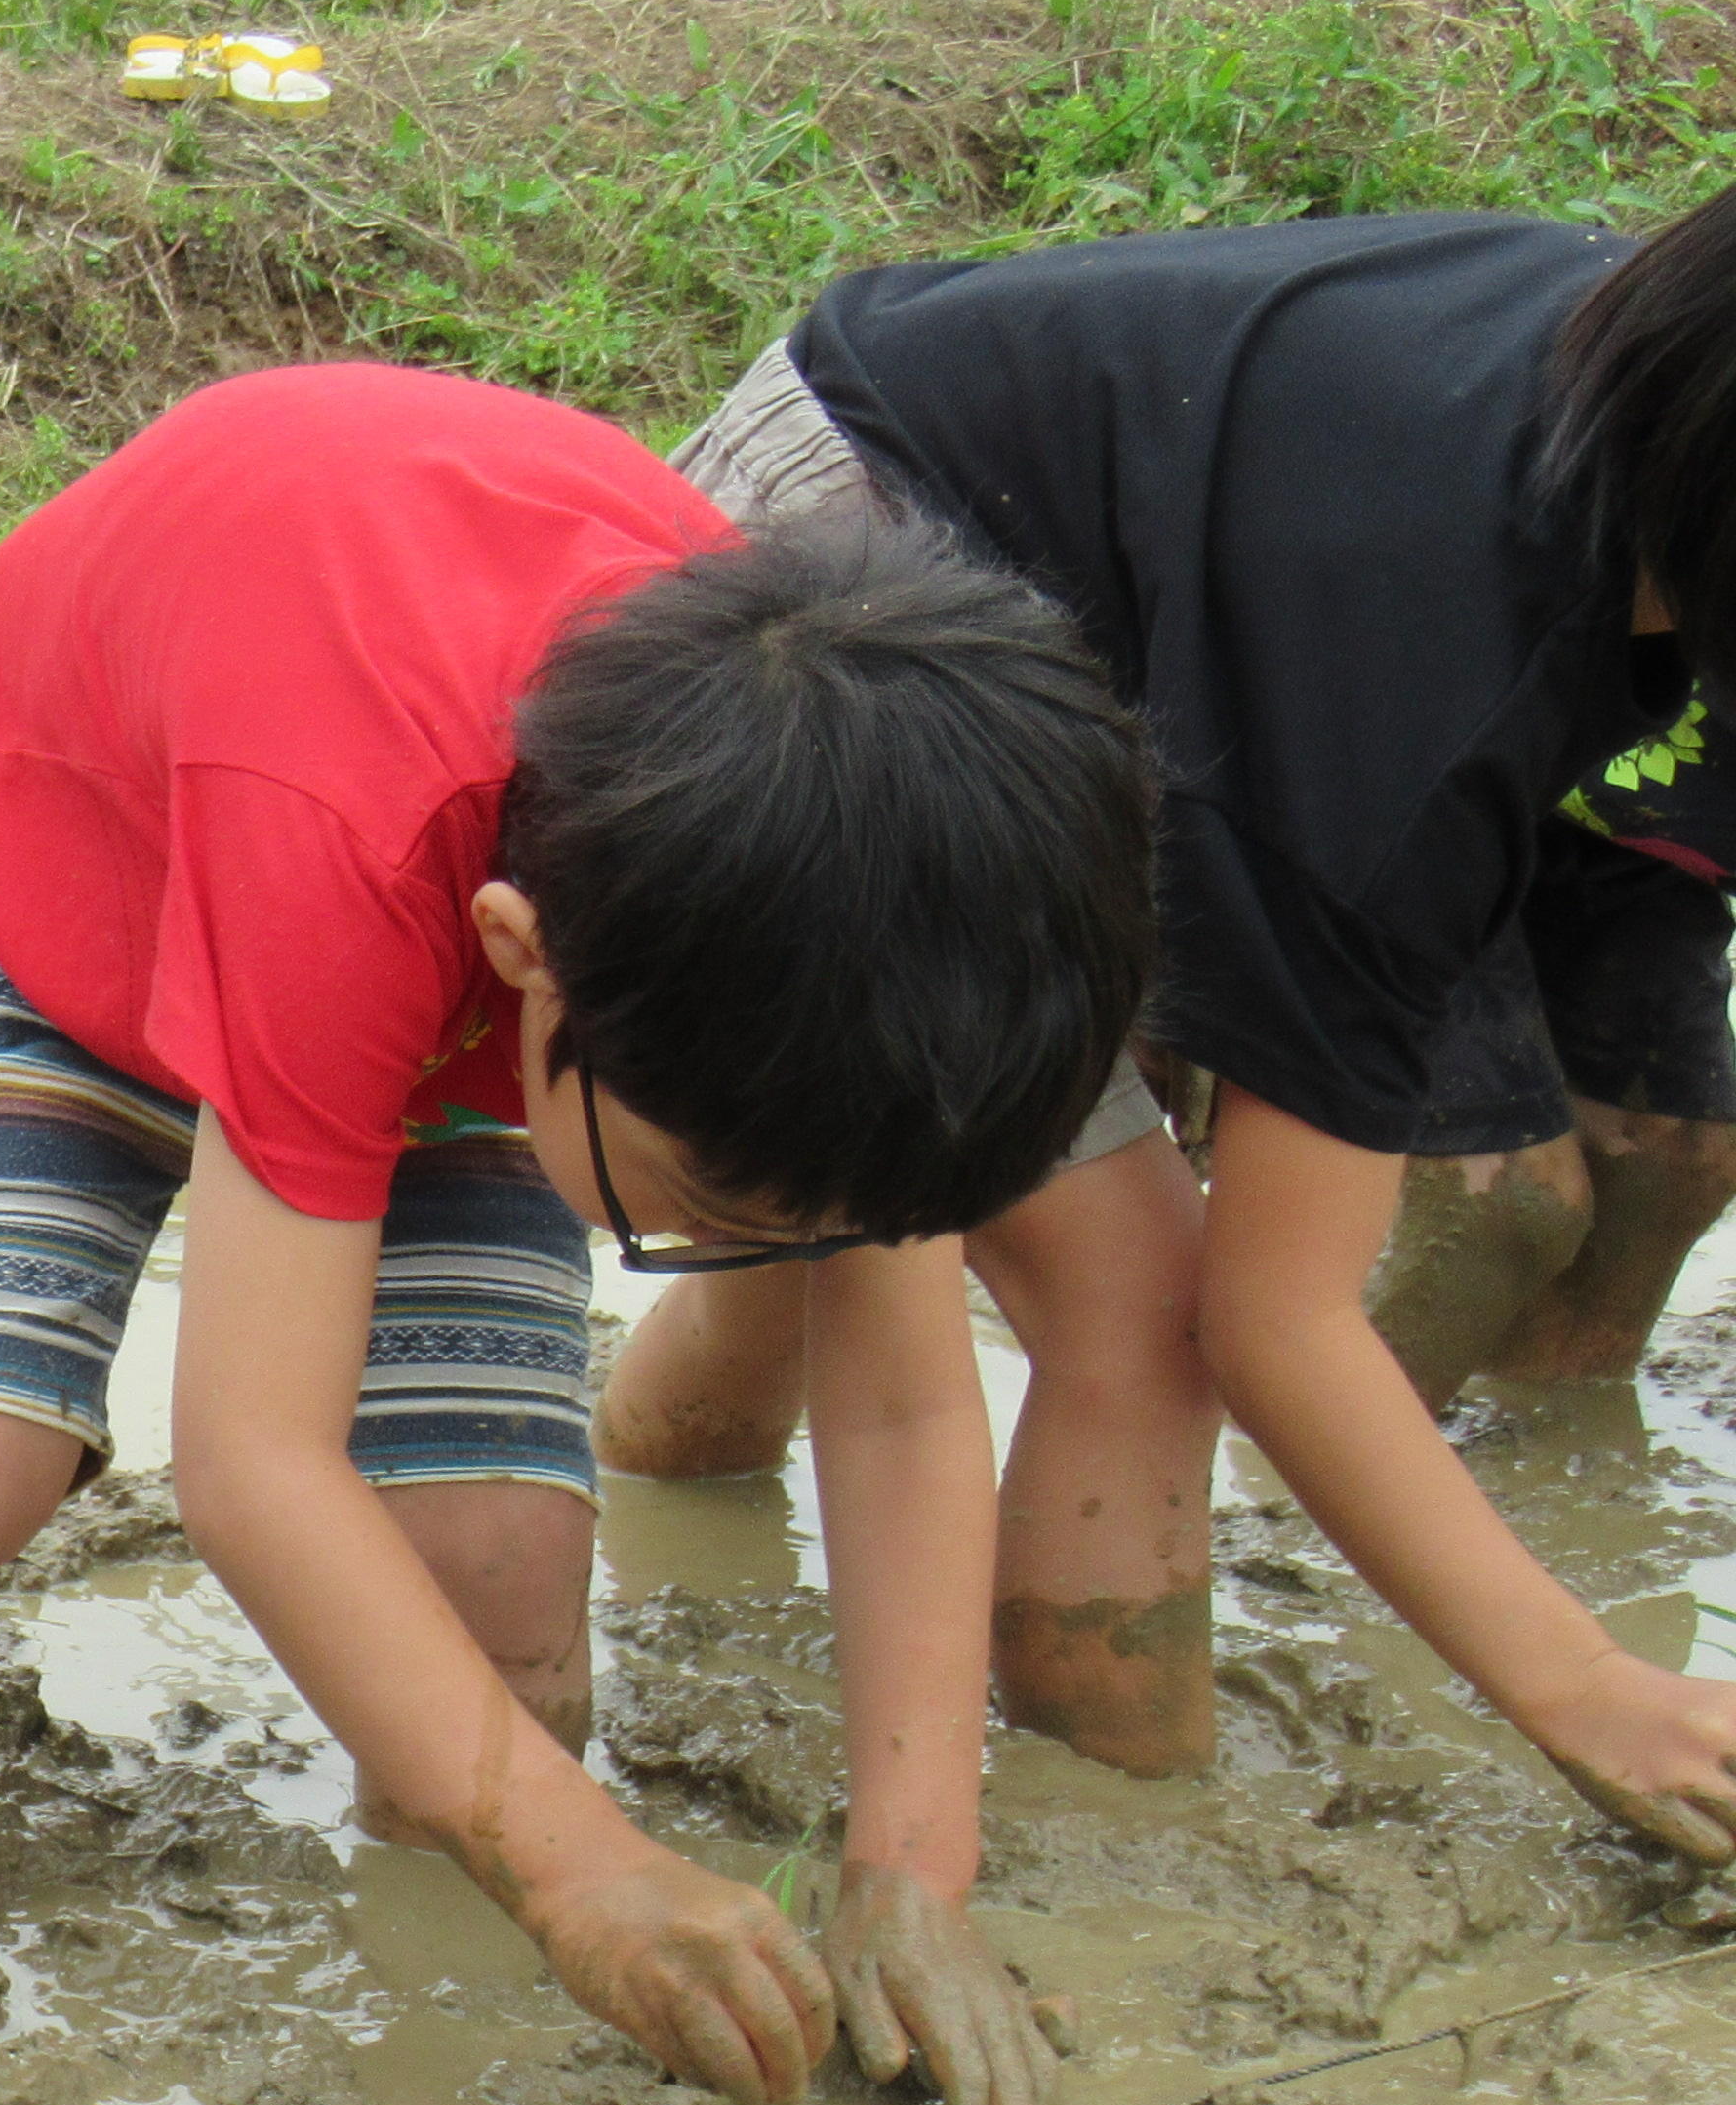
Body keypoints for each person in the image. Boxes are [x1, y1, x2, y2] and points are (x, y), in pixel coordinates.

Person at [0, 362, 1156, 2105]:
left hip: (449, 966)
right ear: (526, 963)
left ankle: (424, 2076)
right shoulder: (365, 829)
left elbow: (911, 1410)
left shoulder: (823, 912)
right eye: (719, 1215)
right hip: (60, 886)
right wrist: (581, 1875)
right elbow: (247, 1464)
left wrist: (913, 1865)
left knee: (494, 1586)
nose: (737, 1255)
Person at [607, 192, 1736, 1855]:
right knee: (1128, 1307)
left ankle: (672, 1512)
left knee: (847, 1217)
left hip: (1022, 541)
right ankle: (1126, 1847)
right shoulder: (1418, 699)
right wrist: (1589, 1687)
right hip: (835, 617)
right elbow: (1276, 1322)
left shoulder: (1617, 391)